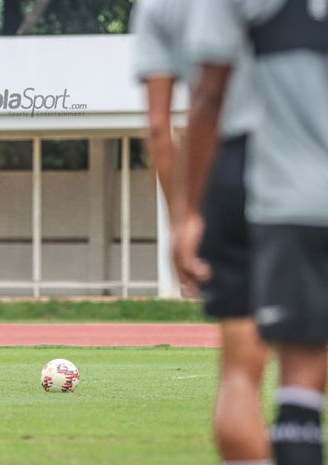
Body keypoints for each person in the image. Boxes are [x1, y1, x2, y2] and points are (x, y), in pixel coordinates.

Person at [176, 0, 328, 464]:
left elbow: (208, 94)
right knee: (304, 389)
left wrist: (188, 212)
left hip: (286, 195)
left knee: (256, 375)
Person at [132, 1, 270, 463]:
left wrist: (184, 217)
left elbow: (162, 125)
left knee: (239, 373)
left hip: (236, 168)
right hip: (303, 169)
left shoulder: (156, 9)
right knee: (306, 367)